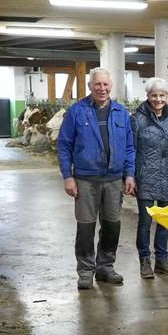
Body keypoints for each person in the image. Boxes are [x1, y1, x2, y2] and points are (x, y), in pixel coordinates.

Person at [56, 68, 136, 290]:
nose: (102, 88)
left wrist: (129, 174)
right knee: (86, 226)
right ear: (90, 86)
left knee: (112, 225)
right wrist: (67, 176)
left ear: (111, 86)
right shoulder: (76, 111)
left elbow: (130, 148)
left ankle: (105, 267)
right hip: (85, 179)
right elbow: (63, 145)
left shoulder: (121, 112)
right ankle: (85, 271)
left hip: (113, 179)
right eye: (97, 84)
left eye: (106, 85)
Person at [130, 77, 168, 279]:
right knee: (145, 221)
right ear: (148, 96)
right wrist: (132, 176)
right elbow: (131, 149)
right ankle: (145, 260)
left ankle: (162, 259)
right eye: (154, 95)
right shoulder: (137, 119)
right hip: (146, 175)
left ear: (167, 96)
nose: (158, 99)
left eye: (162, 95)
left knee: (165, 221)